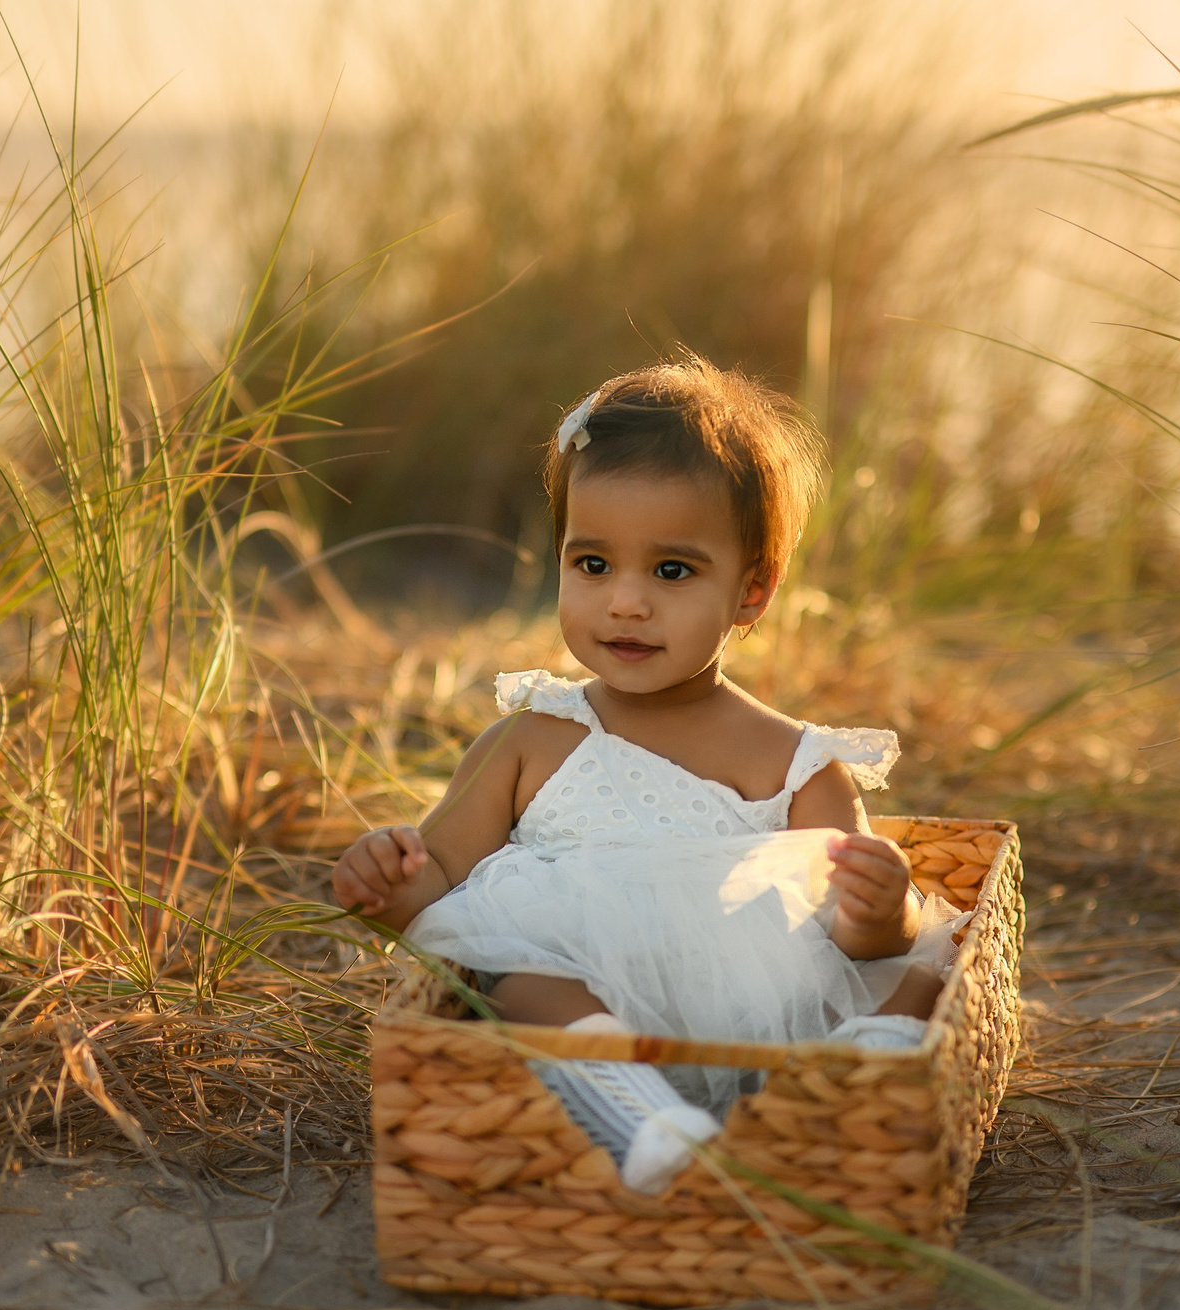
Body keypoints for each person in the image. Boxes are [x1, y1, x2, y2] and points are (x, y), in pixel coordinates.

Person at [333, 357, 956, 1187]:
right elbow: (442, 886)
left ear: (752, 592)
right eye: (592, 564)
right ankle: (639, 1115)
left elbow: (862, 940)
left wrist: (879, 912)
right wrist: (388, 878)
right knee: (522, 980)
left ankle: (841, 1092)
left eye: (671, 571)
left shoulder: (797, 764)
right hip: (599, 1006)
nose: (626, 602)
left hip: (766, 1015)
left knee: (922, 977)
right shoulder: (530, 740)